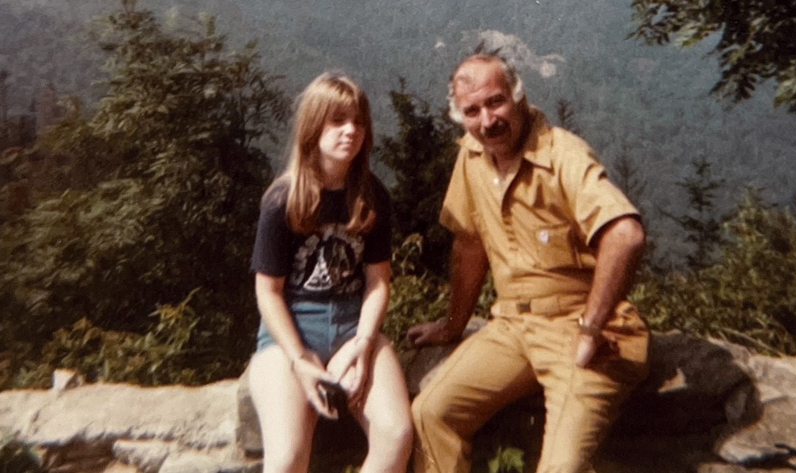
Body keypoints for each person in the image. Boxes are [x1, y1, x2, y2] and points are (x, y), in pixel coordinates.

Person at [406, 54, 651, 473]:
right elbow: (469, 244)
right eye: (472, 111)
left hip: (581, 329)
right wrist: (452, 324)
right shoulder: (472, 158)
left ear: (519, 97)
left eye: (496, 102)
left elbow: (625, 235)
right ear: (460, 116)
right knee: (431, 413)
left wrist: (592, 326)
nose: (488, 121)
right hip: (513, 326)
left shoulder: (563, 155)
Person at [248, 72, 412, 473]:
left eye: (358, 121)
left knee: (396, 435)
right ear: (313, 127)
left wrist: (363, 343)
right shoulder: (283, 200)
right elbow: (268, 292)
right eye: (337, 121)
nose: (350, 131)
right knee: (287, 457)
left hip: (351, 330)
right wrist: (300, 361)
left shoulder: (372, 196)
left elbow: (377, 281)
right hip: (289, 335)